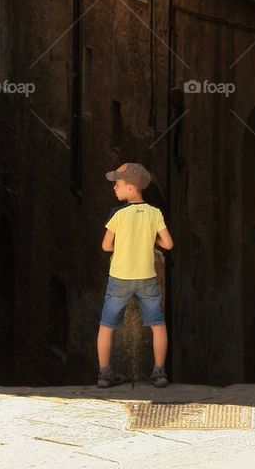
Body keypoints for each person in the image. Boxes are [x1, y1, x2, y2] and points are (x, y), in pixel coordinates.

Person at [96, 162, 174, 388]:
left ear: (131, 188)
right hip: (146, 277)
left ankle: (104, 374)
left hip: (120, 277)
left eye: (118, 184)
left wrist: (123, 243)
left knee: (106, 325)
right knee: (158, 325)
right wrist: (152, 240)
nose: (114, 188)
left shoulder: (118, 215)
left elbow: (106, 246)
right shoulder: (154, 213)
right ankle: (159, 372)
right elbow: (168, 244)